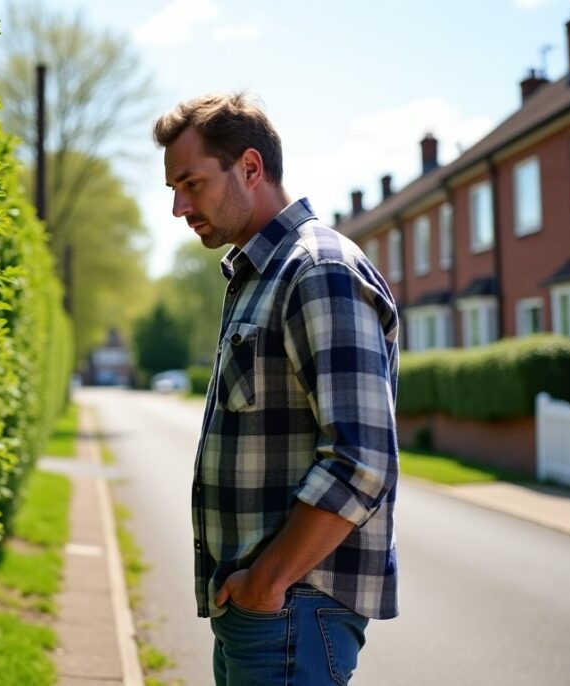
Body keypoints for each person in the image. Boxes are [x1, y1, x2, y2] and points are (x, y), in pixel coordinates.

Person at [153, 92, 400, 685]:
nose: (179, 207)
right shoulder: (261, 274)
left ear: (250, 167)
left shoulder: (318, 270)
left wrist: (268, 581)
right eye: (173, 190)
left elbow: (361, 461)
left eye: (191, 184)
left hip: (291, 607)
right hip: (263, 609)